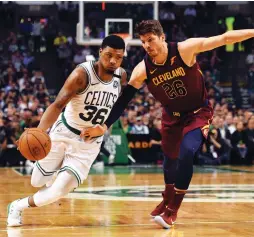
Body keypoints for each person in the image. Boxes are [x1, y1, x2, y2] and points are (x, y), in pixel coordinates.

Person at [83, 20, 254, 229]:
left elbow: (224, 38)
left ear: (162, 37)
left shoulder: (185, 50)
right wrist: (104, 125)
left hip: (197, 113)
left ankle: (172, 210)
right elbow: (124, 100)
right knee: (169, 159)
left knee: (187, 152)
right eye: (143, 42)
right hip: (171, 117)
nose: (147, 45)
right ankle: (167, 196)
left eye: (150, 40)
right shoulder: (142, 69)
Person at [7, 35, 126, 227]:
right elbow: (57, 105)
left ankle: (17, 206)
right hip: (64, 132)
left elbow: (117, 106)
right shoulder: (82, 75)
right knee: (37, 181)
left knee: (56, 192)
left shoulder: (121, 76)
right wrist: (40, 132)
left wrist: (102, 128)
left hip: (88, 144)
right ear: (100, 52)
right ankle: (55, 174)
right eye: (109, 55)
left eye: (118, 57)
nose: (113, 61)